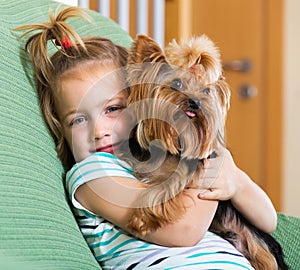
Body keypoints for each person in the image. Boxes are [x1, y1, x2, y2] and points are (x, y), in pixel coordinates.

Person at [16, 6, 277, 269]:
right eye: (78, 120)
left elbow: (269, 221)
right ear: (60, 127)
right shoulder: (93, 174)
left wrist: (235, 181)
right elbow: (184, 229)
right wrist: (211, 161)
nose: (99, 131)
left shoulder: (159, 160)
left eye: (113, 109)